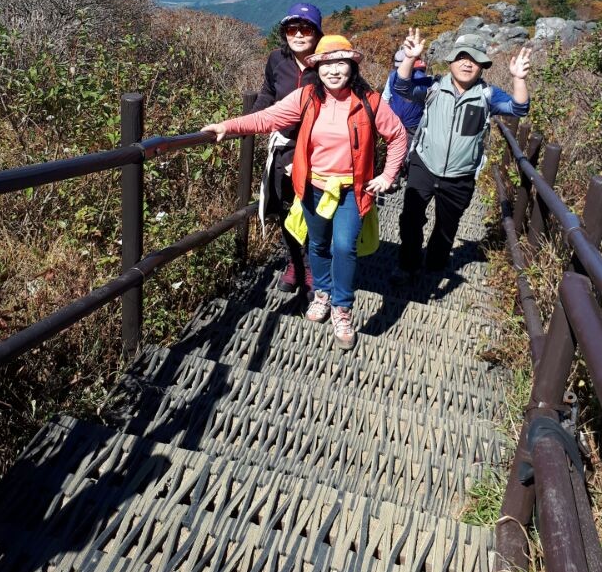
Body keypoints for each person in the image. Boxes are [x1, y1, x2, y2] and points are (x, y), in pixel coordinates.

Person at [202, 34, 407, 350]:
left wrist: (387, 176)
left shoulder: (370, 101)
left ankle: (342, 309)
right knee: (318, 244)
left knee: (344, 247)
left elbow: (397, 136)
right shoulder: (307, 97)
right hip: (313, 187)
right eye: (326, 64)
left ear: (352, 66)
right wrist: (228, 126)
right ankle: (322, 293)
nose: (333, 70)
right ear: (318, 68)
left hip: (351, 190)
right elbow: (268, 117)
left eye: (340, 63)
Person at [393, 28, 531, 281]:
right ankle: (407, 265)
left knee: (447, 227)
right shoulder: (434, 86)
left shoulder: (488, 95)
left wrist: (519, 79)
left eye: (474, 59)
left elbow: (519, 108)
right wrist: (410, 59)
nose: (467, 63)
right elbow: (402, 87)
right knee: (411, 219)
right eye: (461, 57)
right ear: (451, 61)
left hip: (461, 175)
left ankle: (434, 266)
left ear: (482, 66)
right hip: (424, 164)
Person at [252, 3, 323, 294]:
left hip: (318, 149)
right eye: (292, 29)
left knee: (312, 208)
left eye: (306, 29)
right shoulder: (276, 60)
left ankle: (311, 265)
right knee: (286, 208)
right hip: (284, 148)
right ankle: (293, 261)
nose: (298, 35)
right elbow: (268, 92)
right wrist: (249, 122)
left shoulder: (326, 63)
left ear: (317, 33)